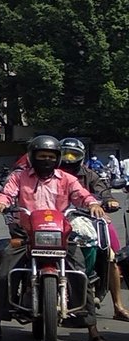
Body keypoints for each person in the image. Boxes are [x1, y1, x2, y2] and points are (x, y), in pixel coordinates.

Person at [0, 135, 110, 341]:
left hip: (60, 235)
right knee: (4, 274)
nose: (46, 160)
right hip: (26, 235)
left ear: (57, 158)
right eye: (42, 156)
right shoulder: (19, 177)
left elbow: (82, 195)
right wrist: (1, 203)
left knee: (80, 274)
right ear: (32, 157)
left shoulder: (67, 179)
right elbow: (7, 194)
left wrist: (93, 204)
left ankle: (93, 331)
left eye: (50, 156)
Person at [57, 137, 127, 321]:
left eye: (73, 155)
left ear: (81, 156)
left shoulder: (90, 174)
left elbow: (103, 191)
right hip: (56, 220)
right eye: (65, 154)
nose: (69, 158)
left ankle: (118, 306)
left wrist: (108, 200)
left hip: (89, 218)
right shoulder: (50, 173)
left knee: (111, 254)